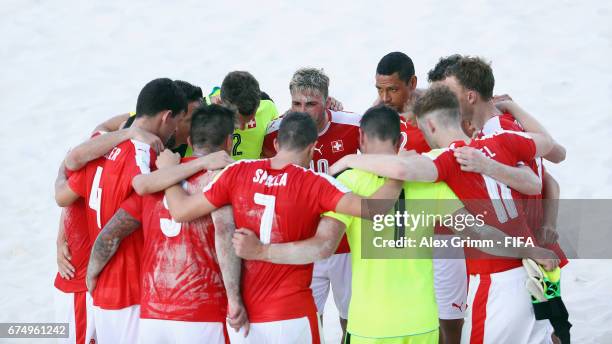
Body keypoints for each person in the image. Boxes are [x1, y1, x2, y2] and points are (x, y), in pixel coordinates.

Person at [231, 105, 560, 344]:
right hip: (421, 322)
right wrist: (529, 247)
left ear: (360, 137)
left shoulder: (347, 181)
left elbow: (321, 246)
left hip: (368, 324)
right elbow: (482, 234)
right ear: (401, 139)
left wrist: (261, 250)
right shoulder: (430, 185)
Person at [331, 86, 563, 344]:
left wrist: (348, 160)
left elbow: (401, 170)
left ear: (429, 126)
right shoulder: (497, 142)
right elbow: (545, 159)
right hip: (524, 277)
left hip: (490, 283)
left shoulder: (443, 161)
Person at [159, 112, 401, 344]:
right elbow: (374, 209)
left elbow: (180, 211)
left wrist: (169, 172)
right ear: (312, 148)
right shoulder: (316, 184)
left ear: (276, 144)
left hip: (243, 320)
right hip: (292, 316)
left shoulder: (237, 171)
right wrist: (398, 174)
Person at [85, 104, 239, 344]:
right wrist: (235, 297)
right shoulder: (223, 179)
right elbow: (224, 238)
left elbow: (110, 234)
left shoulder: (155, 183)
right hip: (202, 311)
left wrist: (92, 274)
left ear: (188, 140)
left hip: (153, 315)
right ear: (229, 142)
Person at [54, 78, 187, 343]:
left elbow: (65, 188)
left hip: (101, 288)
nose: (176, 131)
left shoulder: (100, 148)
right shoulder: (146, 155)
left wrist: (61, 236)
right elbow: (142, 187)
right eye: (178, 122)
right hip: (128, 289)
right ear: (167, 117)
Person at [262, 67, 360, 341]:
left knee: (350, 315)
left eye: (311, 104)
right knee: (309, 316)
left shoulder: (353, 125)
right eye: (296, 104)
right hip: (302, 241)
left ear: (328, 102)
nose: (303, 111)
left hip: (346, 241)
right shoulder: (275, 134)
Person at [374, 52, 430, 153]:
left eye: (393, 90)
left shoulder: (433, 107)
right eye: (380, 90)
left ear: (412, 83)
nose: (385, 98)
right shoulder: (377, 112)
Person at [220, 71, 280, 160]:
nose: (242, 128)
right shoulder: (206, 114)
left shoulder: (268, 108)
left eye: (249, 121)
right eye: (236, 121)